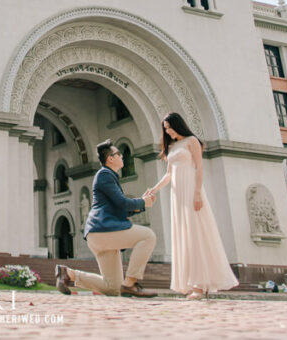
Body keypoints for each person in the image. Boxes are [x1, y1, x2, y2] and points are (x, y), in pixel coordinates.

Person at [146, 113, 238, 300]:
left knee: (195, 234)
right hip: (176, 195)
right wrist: (154, 189)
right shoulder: (171, 146)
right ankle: (189, 282)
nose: (168, 131)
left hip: (191, 192)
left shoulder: (192, 141)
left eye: (169, 127)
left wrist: (197, 192)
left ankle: (199, 284)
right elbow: (169, 174)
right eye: (165, 128)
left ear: (178, 125)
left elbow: (198, 168)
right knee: (183, 235)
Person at [55, 139, 157, 298]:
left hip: (101, 235)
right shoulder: (105, 175)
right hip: (103, 231)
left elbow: (120, 208)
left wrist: (143, 203)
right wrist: (143, 201)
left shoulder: (108, 176)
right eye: (119, 154)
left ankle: (68, 274)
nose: (122, 156)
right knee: (148, 236)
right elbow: (122, 203)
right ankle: (130, 283)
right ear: (110, 158)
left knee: (113, 288)